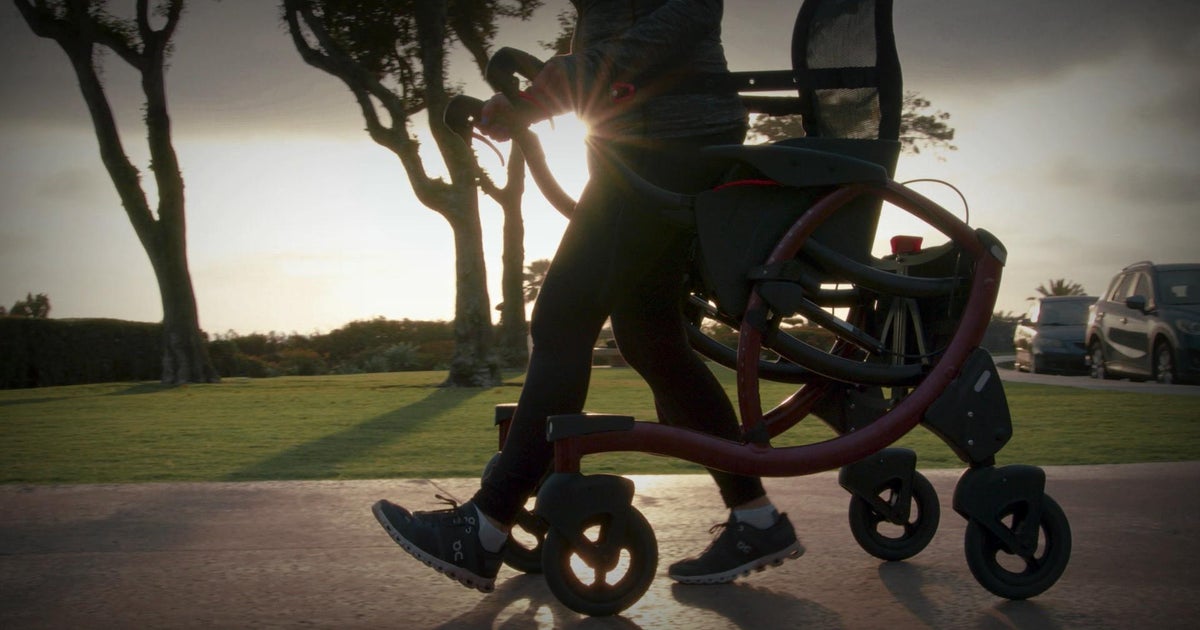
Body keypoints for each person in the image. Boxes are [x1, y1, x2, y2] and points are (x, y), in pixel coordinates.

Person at [372, 0, 803, 592]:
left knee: (562, 323)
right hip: (646, 141)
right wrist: (534, 101)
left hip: (667, 145)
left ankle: (484, 528)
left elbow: (682, 17)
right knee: (649, 336)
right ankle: (756, 518)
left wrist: (571, 76)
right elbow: (612, 46)